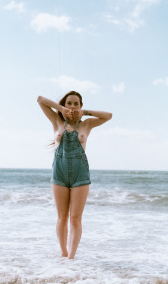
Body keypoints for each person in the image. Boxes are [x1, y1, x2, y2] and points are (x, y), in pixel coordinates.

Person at [37, 91, 112, 259]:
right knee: (62, 217)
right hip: (59, 172)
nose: (72, 106)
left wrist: (84, 113)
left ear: (80, 106)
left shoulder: (87, 125)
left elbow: (109, 115)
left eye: (76, 104)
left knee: (76, 218)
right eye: (69, 103)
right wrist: (60, 109)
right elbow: (40, 99)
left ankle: (71, 258)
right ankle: (63, 253)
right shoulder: (56, 121)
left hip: (80, 173)